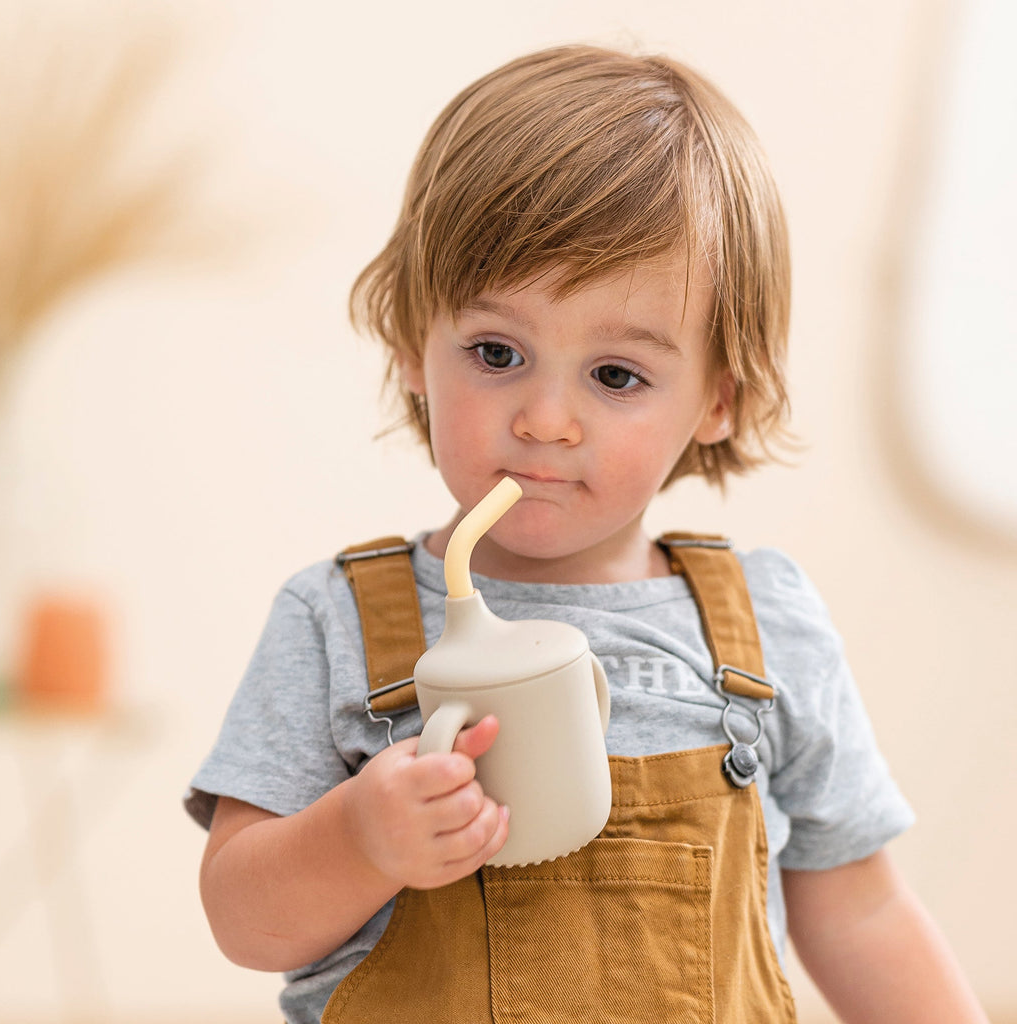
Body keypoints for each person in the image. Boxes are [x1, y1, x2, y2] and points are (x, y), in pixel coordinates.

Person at [185, 44, 988, 1024]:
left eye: (615, 375)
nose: (545, 419)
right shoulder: (335, 619)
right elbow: (242, 918)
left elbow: (860, 913)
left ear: (717, 400)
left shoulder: (762, 624)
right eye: (496, 352)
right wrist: (359, 839)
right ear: (409, 349)